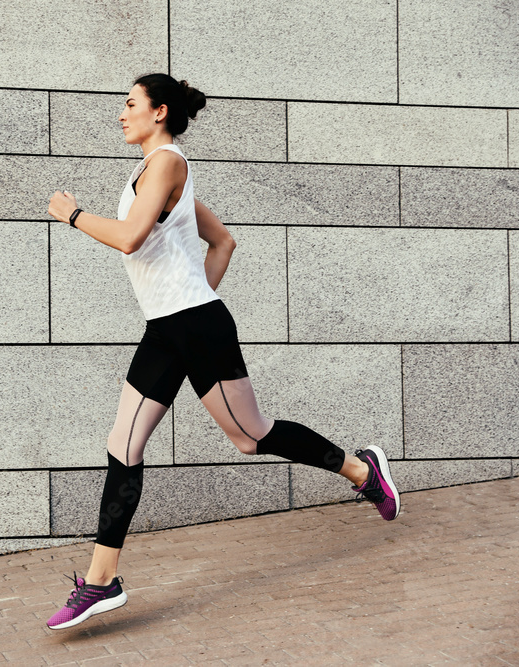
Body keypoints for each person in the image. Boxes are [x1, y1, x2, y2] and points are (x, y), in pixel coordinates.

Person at [44, 73, 401, 631]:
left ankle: (362, 473)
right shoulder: (154, 172)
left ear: (159, 111)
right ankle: (99, 581)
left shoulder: (167, 162)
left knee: (249, 437)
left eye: (130, 103)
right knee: (124, 444)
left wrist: (71, 213)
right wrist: (195, 299)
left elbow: (130, 237)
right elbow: (222, 240)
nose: (121, 112)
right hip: (167, 329)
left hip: (196, 327)